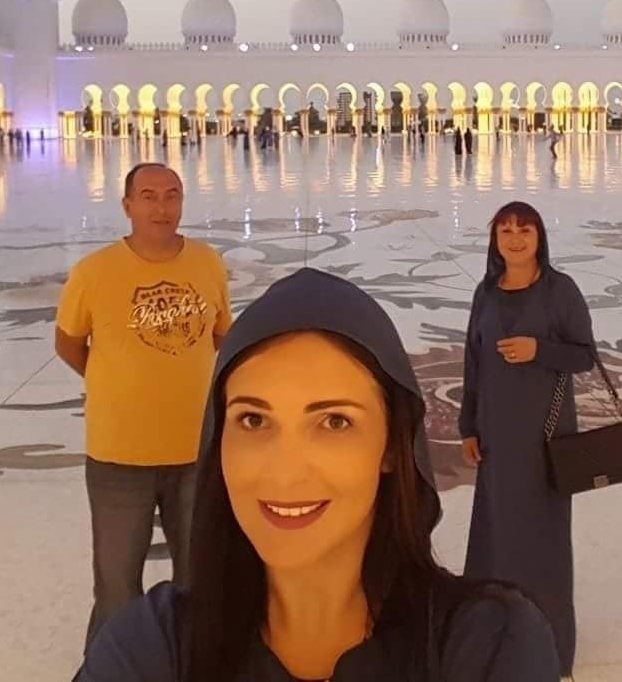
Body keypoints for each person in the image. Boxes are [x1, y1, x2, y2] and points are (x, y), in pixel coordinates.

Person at [76, 268, 560, 682]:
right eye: (253, 420)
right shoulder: (154, 648)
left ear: (392, 446)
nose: (285, 472)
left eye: (334, 422)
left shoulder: (487, 647)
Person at [56, 162, 233, 650]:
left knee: (198, 575)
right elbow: (69, 344)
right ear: (128, 205)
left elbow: (224, 338)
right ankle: (114, 667)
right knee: (116, 585)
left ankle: (195, 662)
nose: (162, 207)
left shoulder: (207, 263)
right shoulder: (94, 272)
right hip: (119, 453)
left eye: (172, 195)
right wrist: (116, 382)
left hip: (194, 450)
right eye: (149, 195)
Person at [459, 200, 597, 676]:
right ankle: (490, 639)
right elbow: (472, 362)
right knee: (495, 537)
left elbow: (584, 356)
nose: (515, 240)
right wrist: (467, 425)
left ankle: (550, 646)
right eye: (505, 231)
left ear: (540, 237)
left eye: (524, 230)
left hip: (544, 438)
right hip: (498, 437)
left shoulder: (560, 292)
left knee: (544, 543)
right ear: (494, 239)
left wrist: (539, 350)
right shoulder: (487, 293)